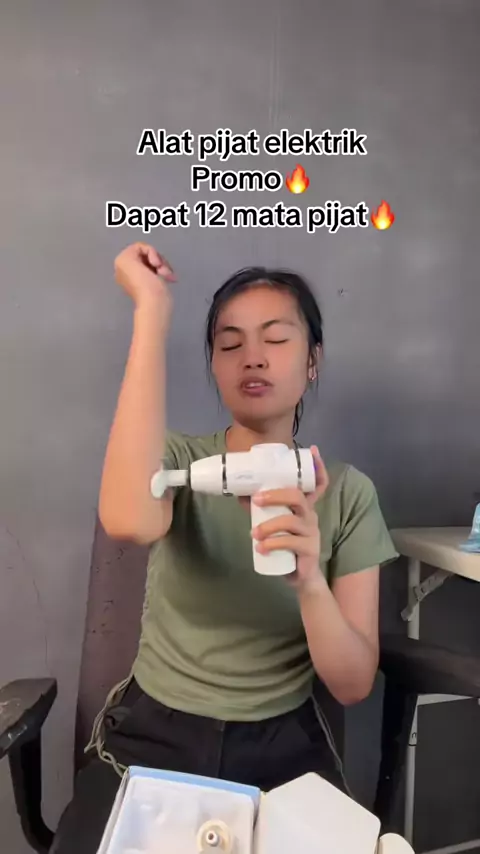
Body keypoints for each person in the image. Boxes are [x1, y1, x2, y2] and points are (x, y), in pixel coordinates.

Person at [52, 243, 398, 853]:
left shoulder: (347, 494)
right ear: (213, 365)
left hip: (282, 746)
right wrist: (151, 312)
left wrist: (310, 582)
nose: (253, 357)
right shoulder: (180, 463)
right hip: (154, 732)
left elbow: (351, 684)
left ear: (313, 361)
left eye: (276, 338)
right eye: (230, 344)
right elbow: (128, 519)